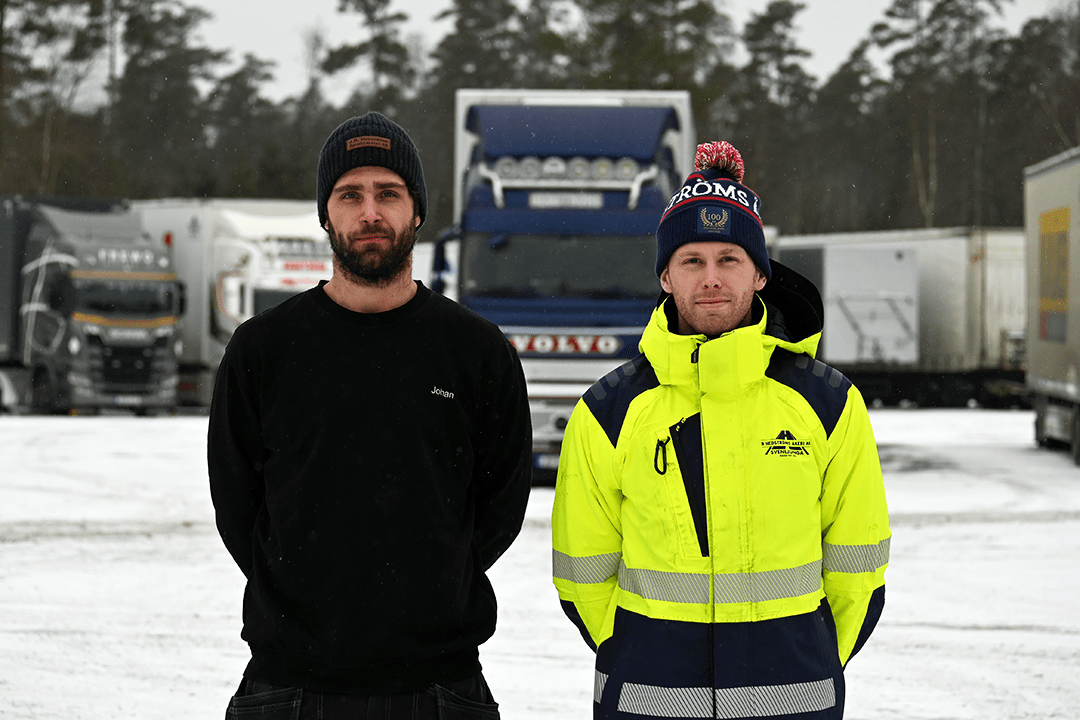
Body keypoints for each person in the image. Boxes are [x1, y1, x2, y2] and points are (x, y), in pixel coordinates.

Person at [208, 111, 533, 719]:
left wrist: (432, 583)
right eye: (349, 195)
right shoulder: (264, 350)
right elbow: (237, 504)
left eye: (388, 193)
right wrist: (303, 588)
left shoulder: (476, 351)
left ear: (417, 211)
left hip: (439, 684)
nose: (369, 213)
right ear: (325, 214)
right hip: (289, 683)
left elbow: (501, 504)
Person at [552, 141, 890, 720]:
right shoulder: (609, 412)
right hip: (648, 702)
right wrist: (633, 651)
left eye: (729, 259)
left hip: (794, 702)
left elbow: (858, 566)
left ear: (759, 274)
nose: (711, 278)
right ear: (665, 276)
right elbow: (583, 572)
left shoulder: (829, 404)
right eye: (692, 261)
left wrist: (814, 656)